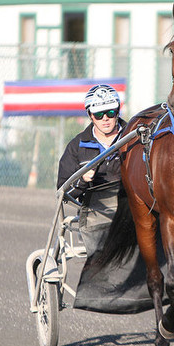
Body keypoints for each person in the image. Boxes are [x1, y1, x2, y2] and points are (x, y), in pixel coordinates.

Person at [57, 84, 127, 256]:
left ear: (118, 111)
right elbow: (63, 192)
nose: (105, 118)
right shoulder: (77, 146)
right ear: (90, 115)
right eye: (98, 114)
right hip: (95, 216)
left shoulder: (134, 139)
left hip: (131, 211)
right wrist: (82, 181)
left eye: (110, 112)